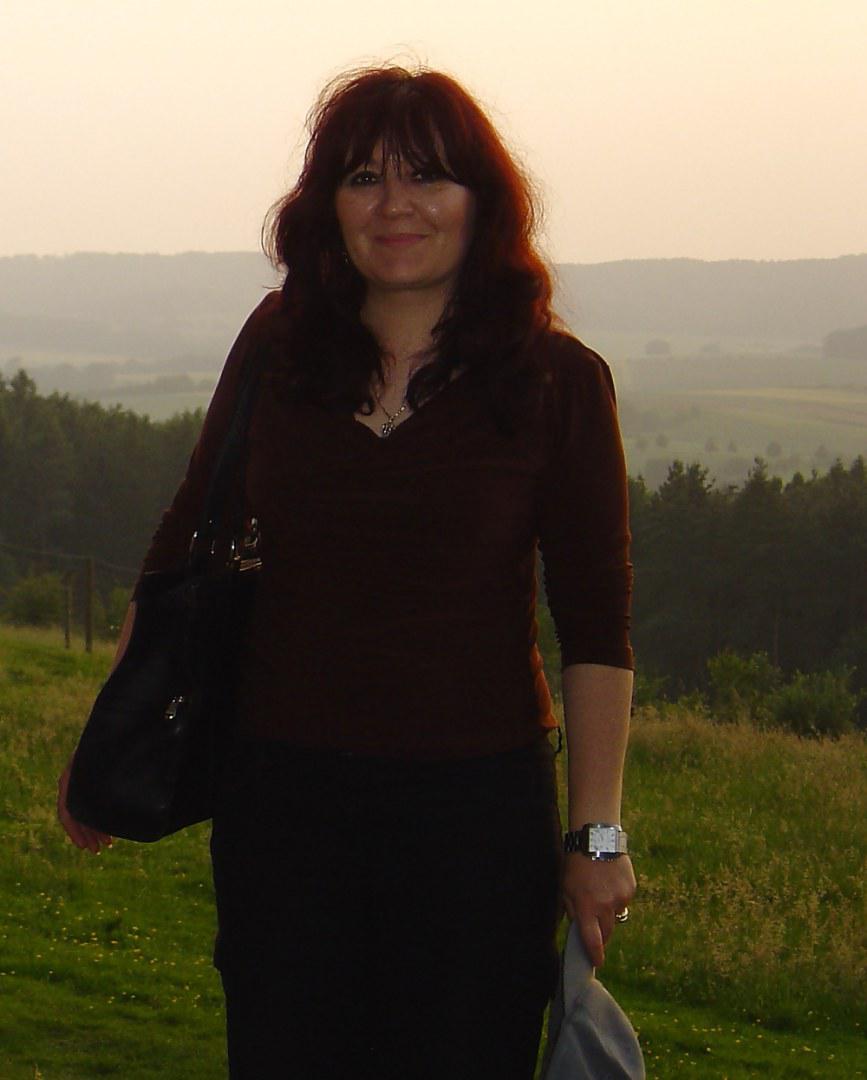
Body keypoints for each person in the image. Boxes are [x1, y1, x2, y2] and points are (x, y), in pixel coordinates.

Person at [58, 65, 636, 1078]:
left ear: (482, 201)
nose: (395, 205)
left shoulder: (556, 382)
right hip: (282, 806)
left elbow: (595, 628)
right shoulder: (277, 349)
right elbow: (184, 546)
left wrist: (596, 839)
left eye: (428, 176)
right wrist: (115, 736)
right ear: (327, 206)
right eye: (364, 178)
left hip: (473, 817)